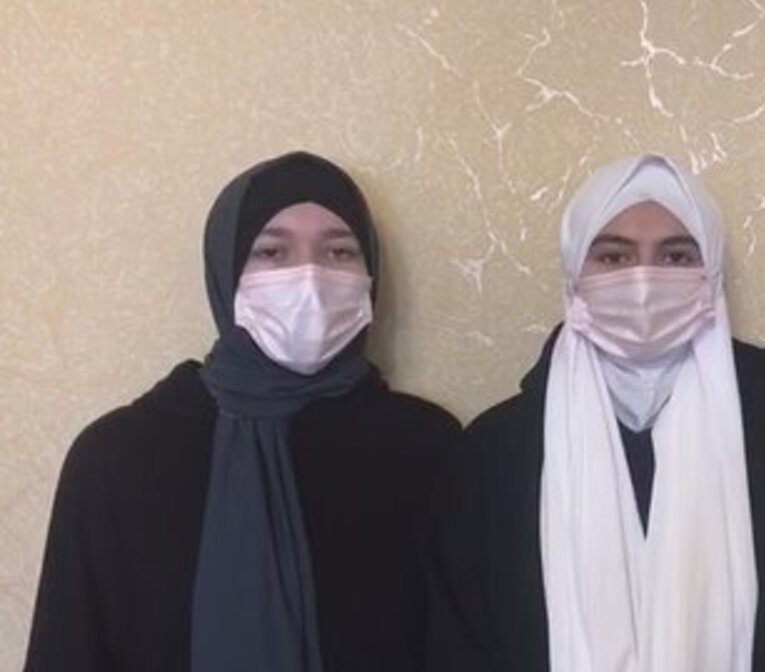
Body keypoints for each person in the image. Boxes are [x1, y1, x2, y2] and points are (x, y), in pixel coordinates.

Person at [25, 151, 461, 671]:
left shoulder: (425, 449)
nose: (309, 277)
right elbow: (70, 651)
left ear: (371, 274)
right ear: (225, 271)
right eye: (272, 252)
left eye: (340, 252)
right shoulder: (121, 458)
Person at [428, 153, 765, 671]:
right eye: (613, 258)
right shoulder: (497, 453)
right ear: (574, 273)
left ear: (712, 274)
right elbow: (461, 641)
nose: (643, 282)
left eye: (676, 257)